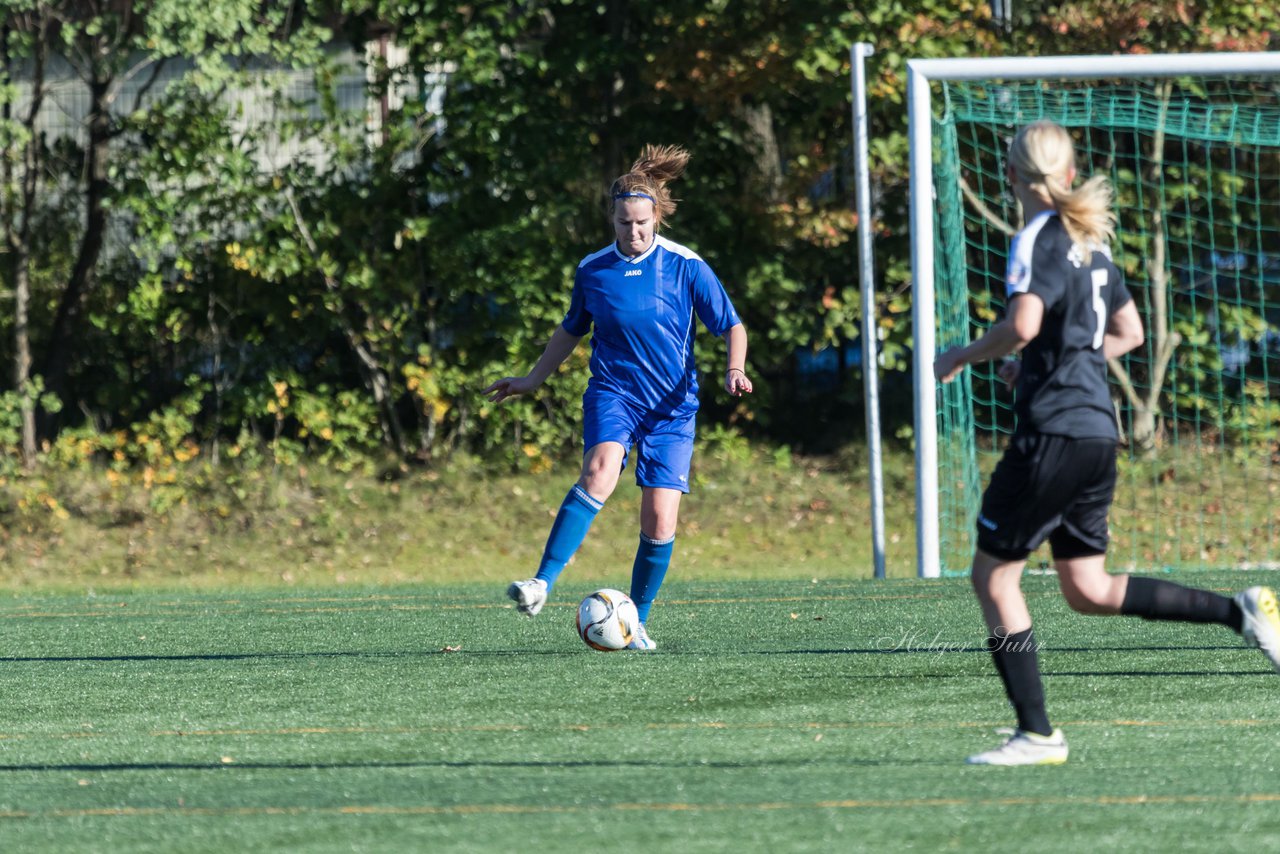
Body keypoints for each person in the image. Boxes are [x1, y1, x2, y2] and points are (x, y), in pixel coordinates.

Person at [933, 120, 1280, 766]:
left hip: (1056, 434)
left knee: (994, 577)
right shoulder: (1090, 241)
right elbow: (1130, 330)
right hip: (1098, 432)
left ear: (1012, 177)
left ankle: (1037, 734)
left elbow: (1023, 323)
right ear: (1067, 176)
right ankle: (1240, 612)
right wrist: (1055, 364)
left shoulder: (1036, 235)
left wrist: (963, 356)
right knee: (1086, 588)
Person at [483, 144, 751, 650]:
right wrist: (532, 379)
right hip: (614, 393)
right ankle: (541, 582)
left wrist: (734, 368)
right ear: (612, 218)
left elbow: (732, 326)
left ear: (657, 219)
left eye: (643, 224)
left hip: (672, 408)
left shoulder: (686, 266)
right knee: (600, 471)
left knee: (659, 519)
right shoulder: (593, 269)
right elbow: (570, 331)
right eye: (625, 223)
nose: (634, 233)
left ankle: (637, 620)